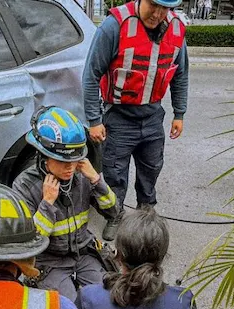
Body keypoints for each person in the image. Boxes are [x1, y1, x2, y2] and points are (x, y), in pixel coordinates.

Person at [83, 0, 189, 241]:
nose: (158, 14)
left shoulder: (176, 29)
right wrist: (94, 119)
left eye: (165, 9)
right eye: (154, 5)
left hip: (153, 116)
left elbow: (180, 74)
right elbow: (91, 76)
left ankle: (146, 211)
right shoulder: (114, 26)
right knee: (114, 172)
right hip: (119, 116)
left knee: (151, 169)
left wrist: (179, 113)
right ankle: (115, 213)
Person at [12, 106, 120, 302]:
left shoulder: (83, 174)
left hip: (84, 253)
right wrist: (46, 204)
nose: (71, 167)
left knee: (110, 298)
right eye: (63, 161)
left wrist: (96, 180)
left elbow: (113, 212)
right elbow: (28, 244)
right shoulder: (24, 185)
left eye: (75, 159)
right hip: (49, 261)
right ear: (44, 156)